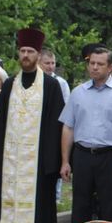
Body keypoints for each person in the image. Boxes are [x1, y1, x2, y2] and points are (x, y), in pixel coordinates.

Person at [0, 28, 66, 223]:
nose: (26, 55)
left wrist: (54, 161)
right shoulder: (9, 85)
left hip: (39, 162)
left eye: (30, 51)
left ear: (38, 55)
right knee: (8, 203)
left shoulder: (51, 86)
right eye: (23, 51)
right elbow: (0, 121)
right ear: (18, 54)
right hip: (12, 159)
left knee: (39, 209)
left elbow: (56, 124)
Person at [60, 45, 112, 223]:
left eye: (100, 64)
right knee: (80, 205)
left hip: (110, 156)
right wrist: (65, 161)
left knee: (111, 206)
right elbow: (68, 127)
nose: (94, 67)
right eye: (92, 63)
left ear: (111, 67)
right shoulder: (78, 92)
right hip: (82, 155)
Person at [39, 48, 71, 203]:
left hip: (56, 126)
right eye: (47, 63)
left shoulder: (61, 83)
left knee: (54, 159)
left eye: (53, 63)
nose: (50, 66)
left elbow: (66, 106)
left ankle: (56, 196)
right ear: (39, 63)